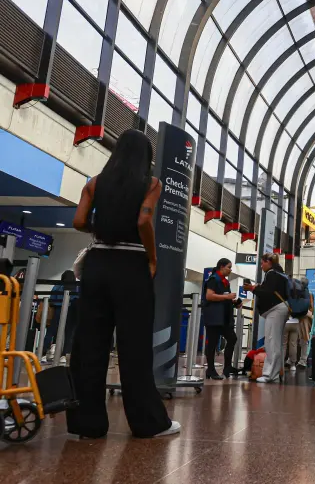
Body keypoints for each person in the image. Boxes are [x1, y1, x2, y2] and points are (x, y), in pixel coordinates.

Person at [67, 129, 179, 439]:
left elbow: (78, 222)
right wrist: (152, 257)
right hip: (131, 267)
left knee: (89, 343)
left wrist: (102, 228)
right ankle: (148, 423)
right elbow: (144, 221)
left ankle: (86, 423)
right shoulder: (151, 184)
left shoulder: (95, 183)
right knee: (134, 346)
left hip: (97, 265)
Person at [251, 253, 289, 383]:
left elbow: (267, 293)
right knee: (277, 343)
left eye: (262, 263)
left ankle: (268, 374)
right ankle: (277, 372)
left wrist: (254, 289)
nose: (261, 266)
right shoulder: (280, 273)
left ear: (269, 262)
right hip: (281, 309)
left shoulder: (272, 274)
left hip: (275, 310)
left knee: (271, 342)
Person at [202, 259, 241, 380]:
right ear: (221, 267)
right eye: (229, 267)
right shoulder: (213, 279)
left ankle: (227, 367)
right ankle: (211, 369)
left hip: (224, 318)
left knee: (232, 338)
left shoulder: (225, 282)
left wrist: (233, 302)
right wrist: (226, 296)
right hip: (214, 317)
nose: (230, 270)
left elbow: (224, 298)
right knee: (212, 343)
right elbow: (209, 295)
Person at [43, 270, 80, 364]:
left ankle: (43, 354)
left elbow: (51, 300)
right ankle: (63, 355)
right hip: (71, 312)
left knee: (50, 332)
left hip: (57, 311)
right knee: (69, 334)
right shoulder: (76, 287)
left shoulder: (57, 286)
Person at [296, 277, 314, 369]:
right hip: (299, 318)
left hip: (304, 319)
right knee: (300, 340)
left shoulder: (308, 294)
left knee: (304, 340)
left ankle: (303, 360)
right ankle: (301, 360)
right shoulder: (299, 293)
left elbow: (311, 307)